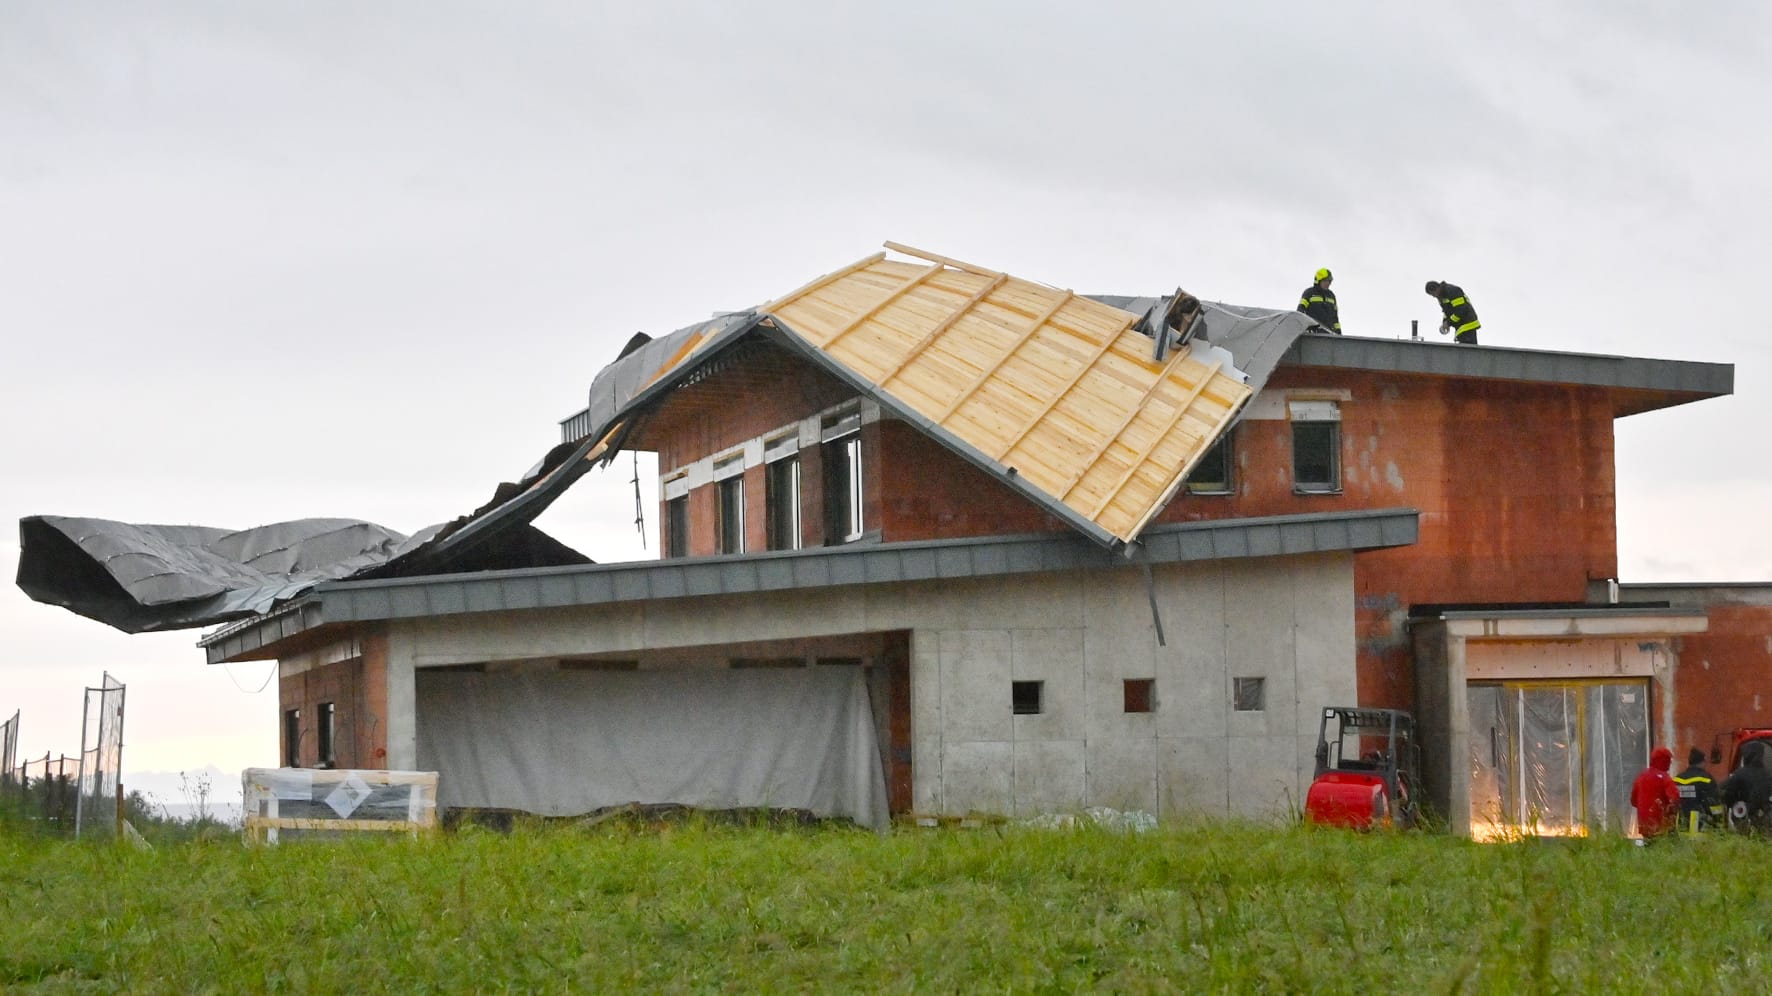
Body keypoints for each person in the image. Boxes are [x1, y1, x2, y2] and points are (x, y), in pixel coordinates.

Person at [1629, 745, 1680, 841]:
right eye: (1668, 760)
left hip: (1644, 827)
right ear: (1664, 760)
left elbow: (1633, 801)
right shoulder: (1665, 778)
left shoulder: (1641, 777)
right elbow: (1675, 798)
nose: (1670, 764)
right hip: (1662, 827)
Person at [1722, 740, 1772, 834]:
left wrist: (1731, 803)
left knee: (1744, 841)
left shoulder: (1739, 774)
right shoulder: (1768, 775)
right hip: (1766, 817)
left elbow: (1726, 793)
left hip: (1743, 816)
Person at [1672, 747, 1722, 832]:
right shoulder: (1706, 779)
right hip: (1700, 825)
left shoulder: (1677, 779)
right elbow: (1714, 803)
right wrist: (1719, 821)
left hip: (1681, 824)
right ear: (1702, 762)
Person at [1297, 268, 1341, 334]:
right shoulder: (1309, 293)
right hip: (1313, 334)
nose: (1328, 283)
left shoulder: (1331, 296)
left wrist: (1339, 333)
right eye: (1325, 281)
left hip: (1329, 334)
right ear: (1318, 281)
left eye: (1329, 281)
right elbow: (1300, 311)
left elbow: (1335, 318)